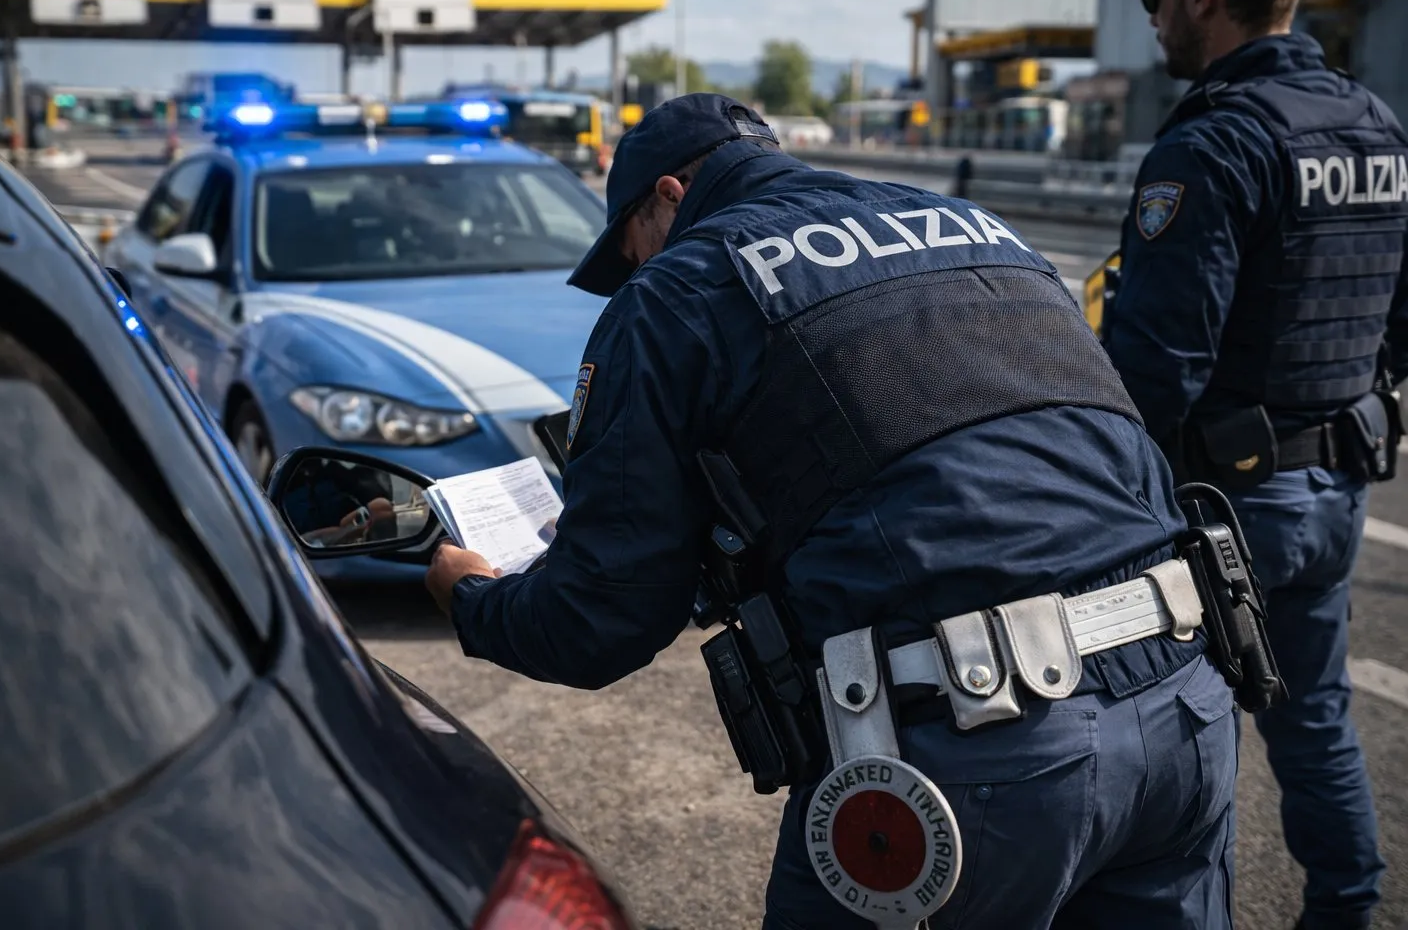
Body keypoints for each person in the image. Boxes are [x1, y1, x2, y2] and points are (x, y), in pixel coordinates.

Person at [425, 92, 1241, 928]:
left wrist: (475, 598)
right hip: (1187, 703)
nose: (635, 270)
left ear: (668, 195)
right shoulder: (977, 228)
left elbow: (600, 619)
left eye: (631, 247)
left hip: (976, 750)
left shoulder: (678, 289)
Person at [1100, 0, 1408, 927]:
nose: (1151, 18)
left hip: (1225, 504)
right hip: (1337, 483)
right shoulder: (1374, 123)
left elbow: (1159, 365)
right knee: (1315, 720)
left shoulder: (1217, 141)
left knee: (1185, 737)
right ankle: (1347, 910)